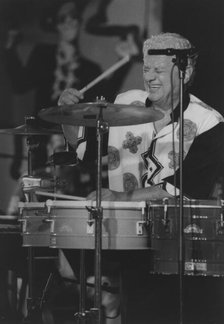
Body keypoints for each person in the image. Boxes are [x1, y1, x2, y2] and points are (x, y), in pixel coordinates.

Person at [58, 32, 224, 323]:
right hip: (124, 239)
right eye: (146, 68)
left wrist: (119, 197)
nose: (150, 77)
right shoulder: (125, 104)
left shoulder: (208, 121)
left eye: (159, 70)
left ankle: (111, 298)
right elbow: (84, 152)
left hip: (179, 246)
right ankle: (109, 296)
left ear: (185, 74)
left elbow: (183, 188)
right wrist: (67, 115)